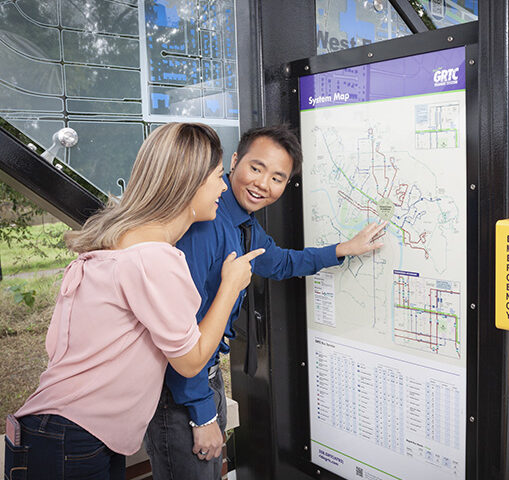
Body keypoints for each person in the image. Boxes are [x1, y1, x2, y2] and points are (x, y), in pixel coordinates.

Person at [3, 123, 264, 480]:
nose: (223, 187)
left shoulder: (121, 240)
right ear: (188, 182)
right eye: (219, 177)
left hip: (61, 434)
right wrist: (230, 286)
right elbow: (189, 361)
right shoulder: (154, 258)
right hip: (72, 439)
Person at [145, 125, 386, 480]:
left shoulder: (243, 225)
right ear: (235, 161)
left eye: (277, 177)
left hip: (203, 379)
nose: (262, 184)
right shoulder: (205, 225)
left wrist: (343, 250)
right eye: (256, 168)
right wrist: (202, 415)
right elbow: (182, 332)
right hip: (179, 391)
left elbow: (280, 261)